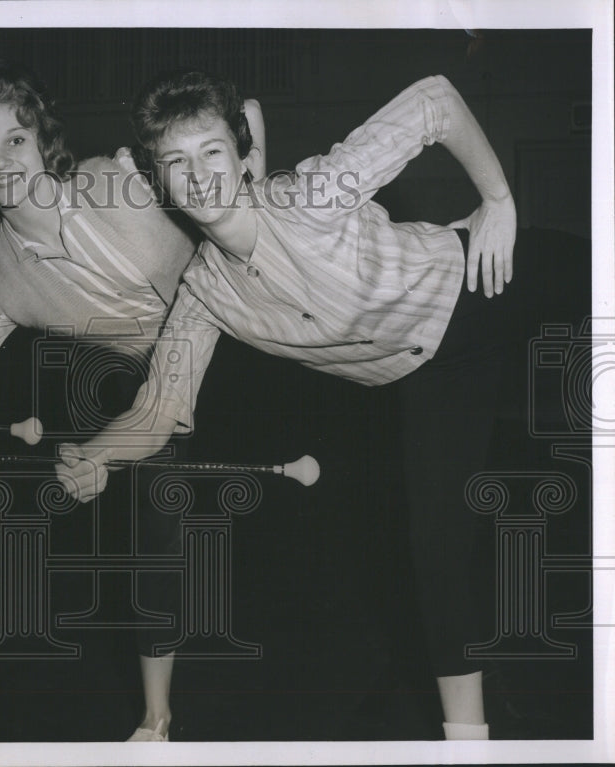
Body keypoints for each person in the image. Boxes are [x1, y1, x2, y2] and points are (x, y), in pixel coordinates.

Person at [55, 70, 518, 741]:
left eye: (212, 152)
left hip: (483, 281)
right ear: (158, 182)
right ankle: (469, 749)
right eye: (176, 163)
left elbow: (436, 99)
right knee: (436, 553)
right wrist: (95, 454)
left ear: (243, 157)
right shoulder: (203, 292)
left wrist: (499, 200)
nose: (199, 176)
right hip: (431, 374)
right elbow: (159, 410)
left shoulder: (310, 194)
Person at [0, 61, 266, 743]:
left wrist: (253, 159)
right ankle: (156, 719)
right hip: (149, 386)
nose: (1, 160)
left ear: (43, 142)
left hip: (236, 336)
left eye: (16, 139)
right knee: (151, 502)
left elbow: (231, 151)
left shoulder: (120, 179)